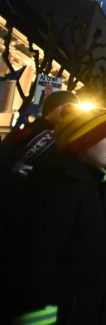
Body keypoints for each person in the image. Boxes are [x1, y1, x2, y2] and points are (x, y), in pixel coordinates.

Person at [1, 107, 106, 325]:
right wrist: (37, 322)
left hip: (83, 313)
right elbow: (36, 262)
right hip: (58, 319)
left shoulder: (101, 186)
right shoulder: (59, 186)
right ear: (82, 139)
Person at [0, 90, 80, 228]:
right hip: (14, 203)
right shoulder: (24, 134)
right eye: (67, 107)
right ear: (51, 110)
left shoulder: (73, 141)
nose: (70, 112)